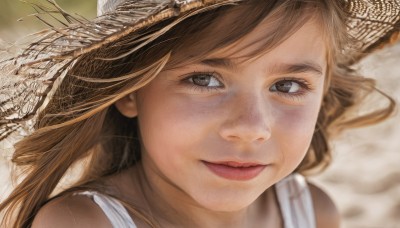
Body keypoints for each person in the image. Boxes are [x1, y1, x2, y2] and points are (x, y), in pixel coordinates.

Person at [0, 0, 398, 227]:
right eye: (205, 79)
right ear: (130, 90)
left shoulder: (312, 214)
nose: (250, 128)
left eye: (288, 86)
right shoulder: (83, 225)